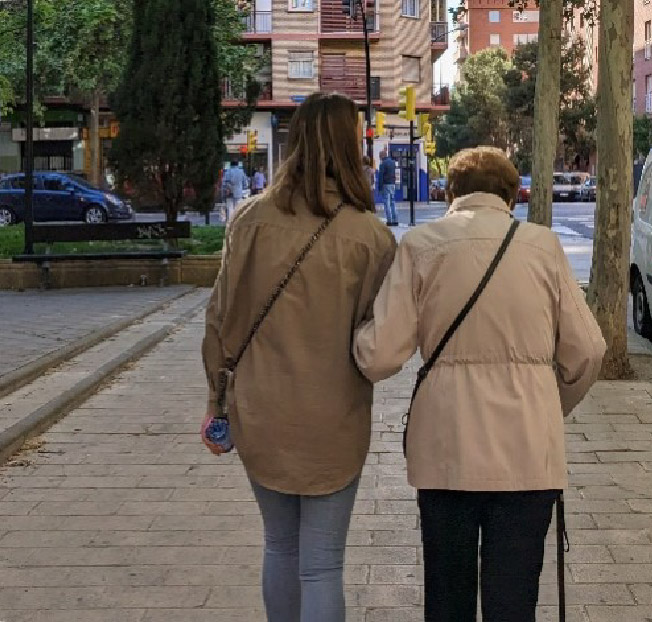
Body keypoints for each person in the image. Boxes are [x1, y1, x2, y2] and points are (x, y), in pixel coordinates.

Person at [353, 147, 606, 622]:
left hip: (447, 449)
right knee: (513, 603)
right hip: (528, 451)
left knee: (447, 599)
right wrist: (550, 403)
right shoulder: (543, 247)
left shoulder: (421, 245)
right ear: (512, 195)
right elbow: (588, 350)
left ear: (452, 192)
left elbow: (379, 355)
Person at [201, 93, 396, 622]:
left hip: (260, 409)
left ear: (295, 143)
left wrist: (217, 398)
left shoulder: (251, 221)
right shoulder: (370, 237)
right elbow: (379, 340)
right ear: (350, 146)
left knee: (280, 547)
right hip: (333, 414)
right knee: (322, 566)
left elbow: (220, 319)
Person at [376, 149, 398, 227]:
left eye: (380, 156)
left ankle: (389, 221)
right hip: (392, 184)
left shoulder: (383, 164)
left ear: (382, 156)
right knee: (393, 202)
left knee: (386, 203)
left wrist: (379, 188)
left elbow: (381, 176)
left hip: (386, 184)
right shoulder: (392, 163)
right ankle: (395, 220)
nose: (379, 158)